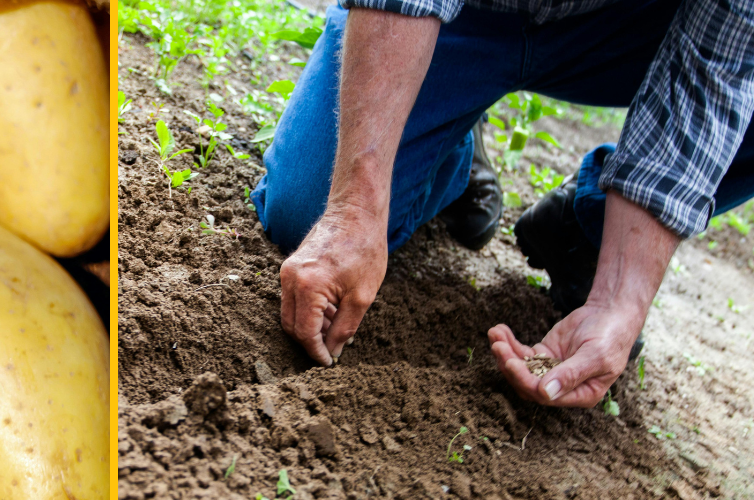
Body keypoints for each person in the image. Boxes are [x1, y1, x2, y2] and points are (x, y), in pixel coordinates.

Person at [250, 0, 753, 408]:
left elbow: (717, 72)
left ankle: (590, 229)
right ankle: (452, 149)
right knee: (307, 210)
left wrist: (619, 300)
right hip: (466, 14)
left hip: (627, 29)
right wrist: (354, 210)